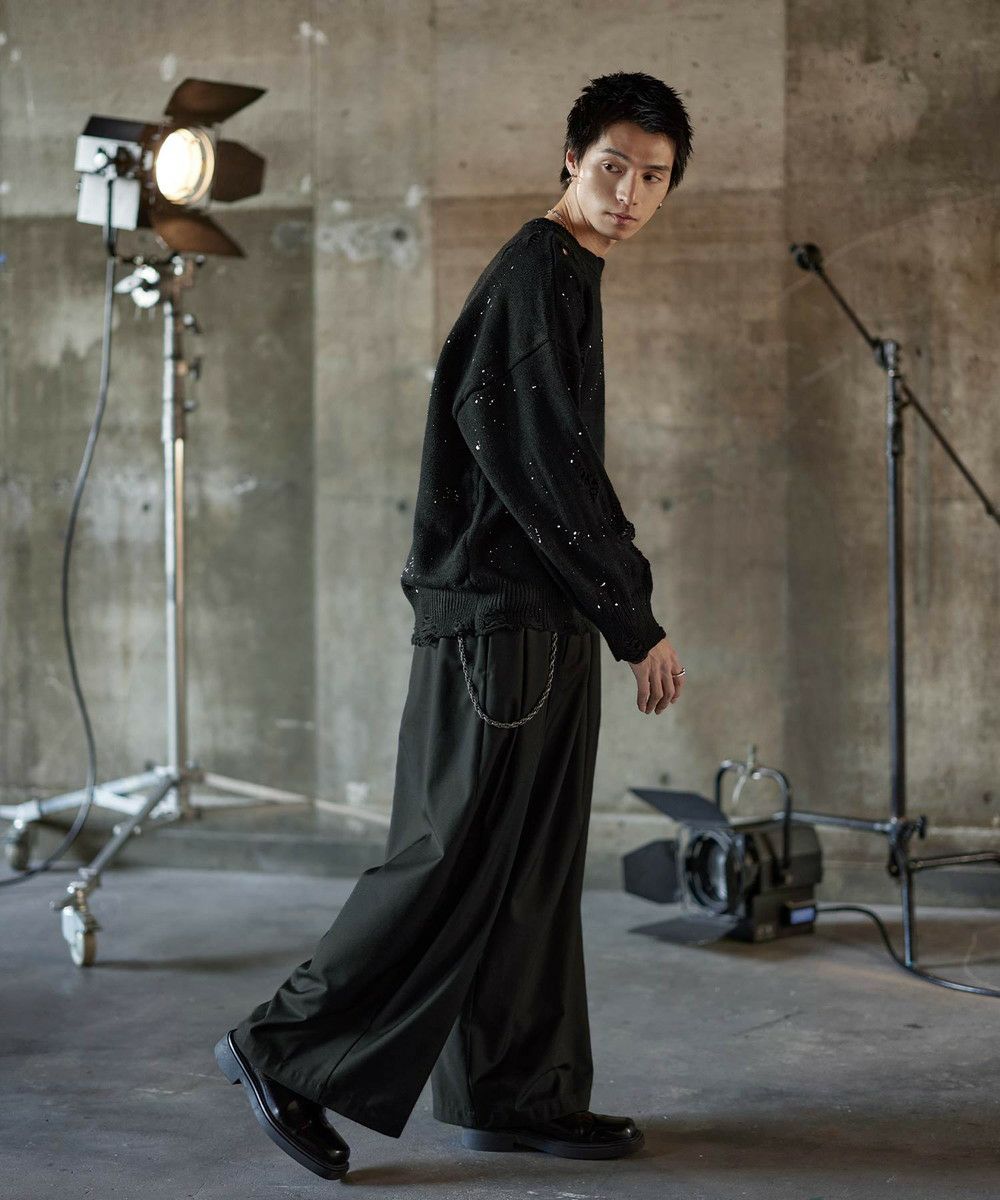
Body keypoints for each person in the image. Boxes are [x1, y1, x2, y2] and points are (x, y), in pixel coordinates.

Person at [214, 69, 694, 1181]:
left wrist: (605, 609)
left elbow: (555, 464)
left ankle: (517, 1091)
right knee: (447, 860)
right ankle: (279, 1050)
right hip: (500, 627)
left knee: (529, 873)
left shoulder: (567, 274)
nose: (629, 192)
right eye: (613, 166)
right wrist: (633, 618)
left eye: (654, 176)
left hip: (537, 619)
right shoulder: (539, 268)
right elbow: (542, 466)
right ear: (569, 159)